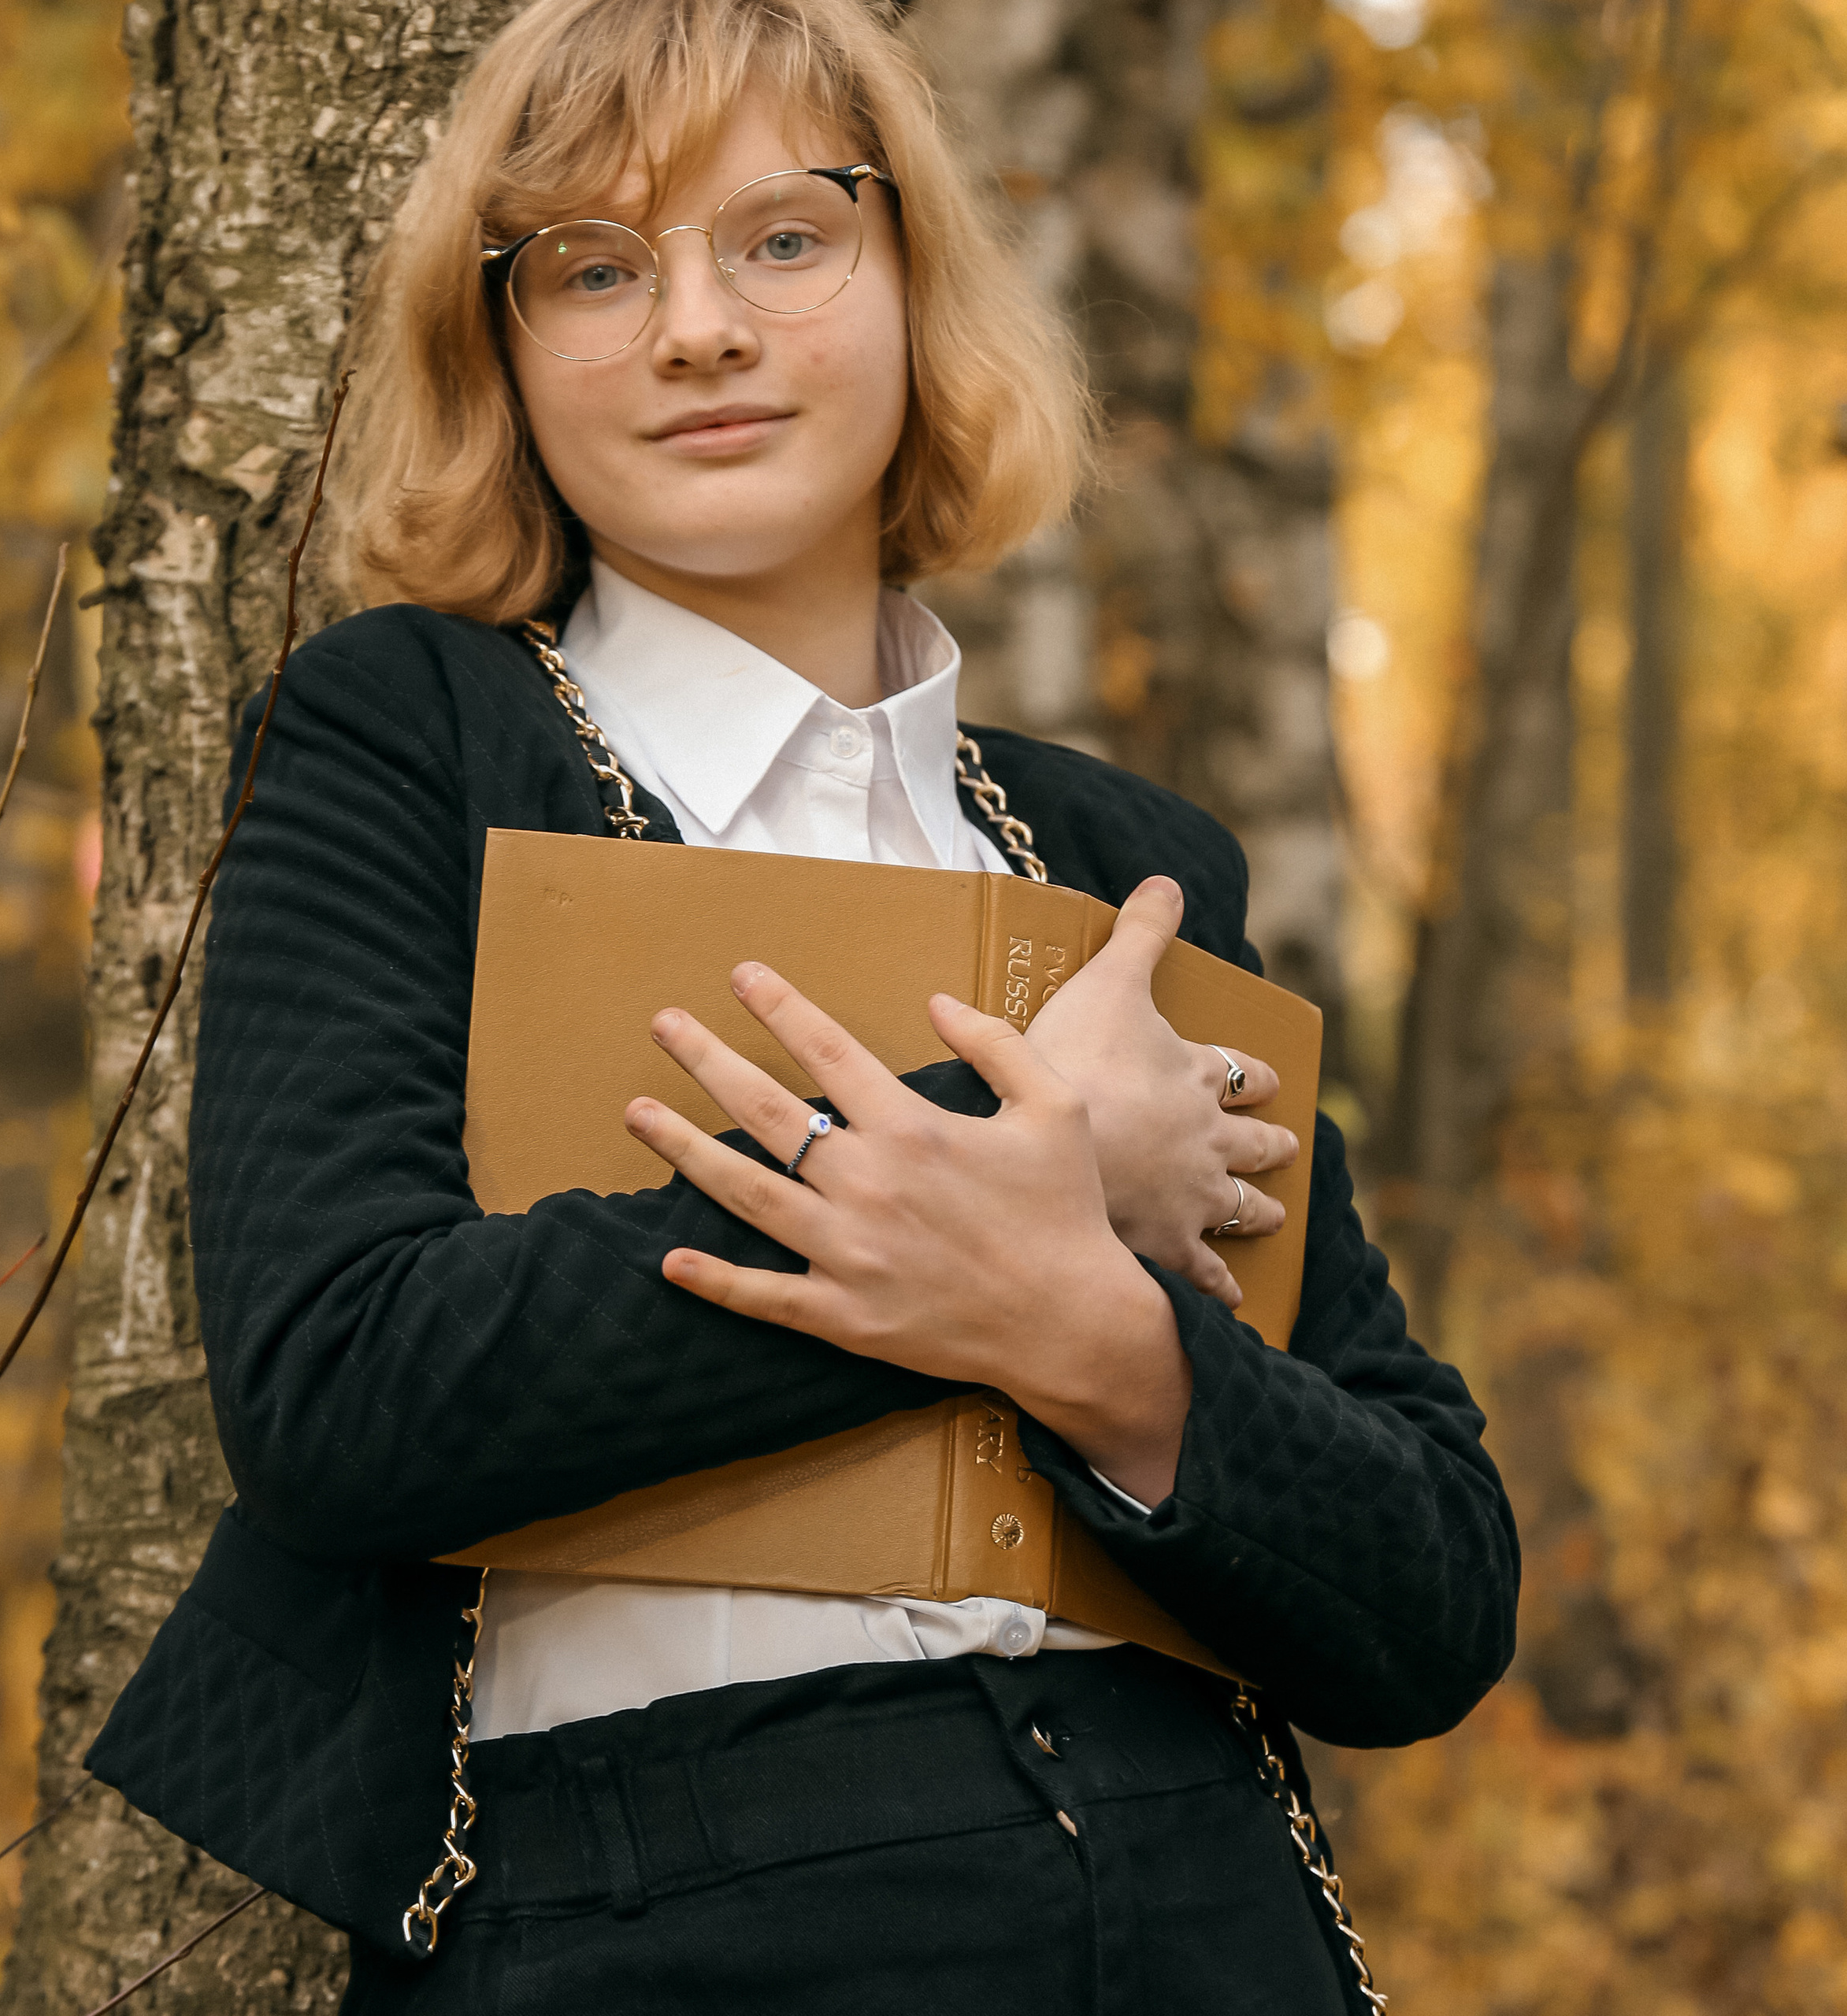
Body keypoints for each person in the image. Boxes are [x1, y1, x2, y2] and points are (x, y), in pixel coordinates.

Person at [86, 1, 1519, 2010]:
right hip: (657, 1919)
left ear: (916, 282)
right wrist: (1026, 1164)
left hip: (1203, 1902)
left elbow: (1432, 1591)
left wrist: (1103, 1342)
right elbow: (339, 1391)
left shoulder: (1123, 857)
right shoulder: (407, 732)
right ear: (501, 348)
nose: (698, 328)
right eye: (595, 268)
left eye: (783, 238)